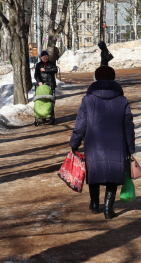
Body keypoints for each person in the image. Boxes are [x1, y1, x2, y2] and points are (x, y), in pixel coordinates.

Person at [69, 65, 135, 219]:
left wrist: (74, 143)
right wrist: (130, 147)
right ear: (113, 79)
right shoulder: (122, 100)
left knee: (94, 172)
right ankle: (108, 208)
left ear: (95, 79)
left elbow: (80, 124)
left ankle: (94, 204)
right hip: (117, 143)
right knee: (113, 173)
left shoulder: (87, 100)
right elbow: (128, 126)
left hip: (93, 143)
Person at [34, 50, 58, 122]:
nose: (45, 58)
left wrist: (45, 70)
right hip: (42, 86)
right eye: (44, 57)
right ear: (41, 58)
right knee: (42, 100)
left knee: (51, 101)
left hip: (51, 85)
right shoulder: (38, 65)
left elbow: (55, 70)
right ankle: (43, 116)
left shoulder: (52, 63)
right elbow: (36, 75)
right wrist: (39, 82)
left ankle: (51, 115)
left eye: (47, 56)